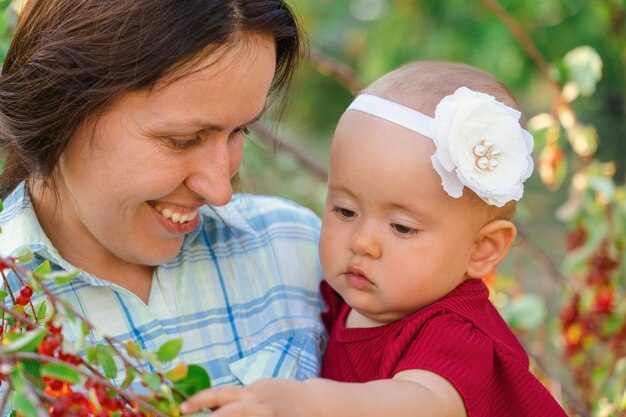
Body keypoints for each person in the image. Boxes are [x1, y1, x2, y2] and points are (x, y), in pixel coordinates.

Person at [180, 61, 569, 417]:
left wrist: (306, 401)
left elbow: (421, 403)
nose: (362, 242)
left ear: (483, 250)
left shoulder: (454, 333)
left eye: (401, 227)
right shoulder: (347, 299)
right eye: (345, 211)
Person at [0, 0, 325, 396]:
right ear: (60, 107)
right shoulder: (12, 309)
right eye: (182, 140)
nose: (220, 190)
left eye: (241, 131)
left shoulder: (298, 249)